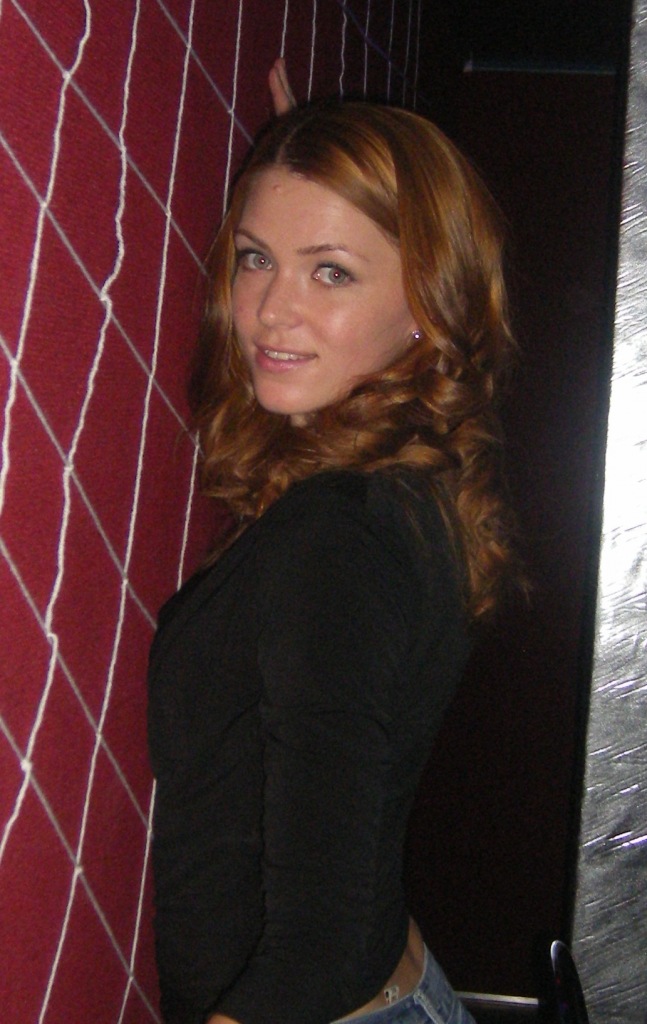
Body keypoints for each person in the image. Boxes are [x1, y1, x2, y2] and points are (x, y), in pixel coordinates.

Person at [148, 68, 520, 1024]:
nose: (271, 310)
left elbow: (315, 947)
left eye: (331, 273)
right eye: (254, 258)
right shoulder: (408, 472)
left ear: (427, 299)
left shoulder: (338, 538)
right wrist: (308, 164)